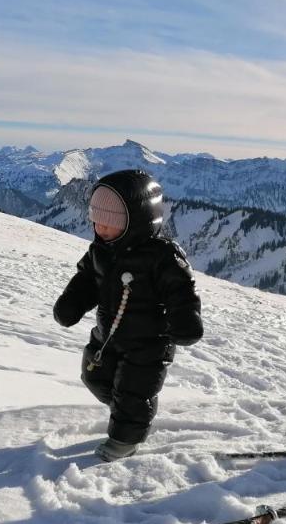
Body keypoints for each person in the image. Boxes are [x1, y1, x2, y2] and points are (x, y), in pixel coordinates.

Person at [54, 169, 203, 461]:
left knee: (134, 392)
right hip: (108, 335)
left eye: (111, 223)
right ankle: (126, 412)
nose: (101, 228)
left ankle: (125, 439)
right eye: (97, 220)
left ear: (137, 221)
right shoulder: (100, 251)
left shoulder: (161, 256)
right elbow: (86, 279)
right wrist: (70, 305)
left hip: (149, 343)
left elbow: (180, 290)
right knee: (93, 376)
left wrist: (185, 322)